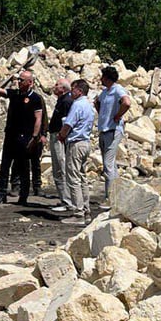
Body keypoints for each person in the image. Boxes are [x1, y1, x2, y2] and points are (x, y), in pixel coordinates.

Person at [0, 69, 43, 206]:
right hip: (11, 135)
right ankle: (1, 194)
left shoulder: (35, 98)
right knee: (4, 166)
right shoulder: (15, 94)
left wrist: (35, 137)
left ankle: (23, 196)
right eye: (19, 79)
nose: (19, 82)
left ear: (29, 82)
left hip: (25, 137)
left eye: (22, 80)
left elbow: (38, 119)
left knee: (23, 168)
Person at [58, 78, 95, 226]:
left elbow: (68, 124)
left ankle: (78, 213)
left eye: (73, 89)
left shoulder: (77, 105)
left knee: (73, 179)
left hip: (76, 143)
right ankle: (86, 210)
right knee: (82, 177)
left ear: (79, 90)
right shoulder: (89, 105)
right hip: (85, 142)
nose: (71, 92)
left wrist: (61, 135)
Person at [95, 65, 132, 209]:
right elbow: (97, 102)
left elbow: (127, 102)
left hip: (113, 130)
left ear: (106, 78)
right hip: (104, 130)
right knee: (111, 165)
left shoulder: (117, 90)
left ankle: (109, 198)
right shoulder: (105, 92)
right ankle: (116, 197)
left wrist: (118, 115)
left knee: (108, 165)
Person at [48, 78, 74, 212]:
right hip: (57, 136)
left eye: (57, 85)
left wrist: (62, 136)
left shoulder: (66, 102)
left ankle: (67, 201)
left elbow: (67, 122)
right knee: (59, 167)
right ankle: (65, 199)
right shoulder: (62, 101)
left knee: (60, 167)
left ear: (63, 89)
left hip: (60, 137)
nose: (54, 86)